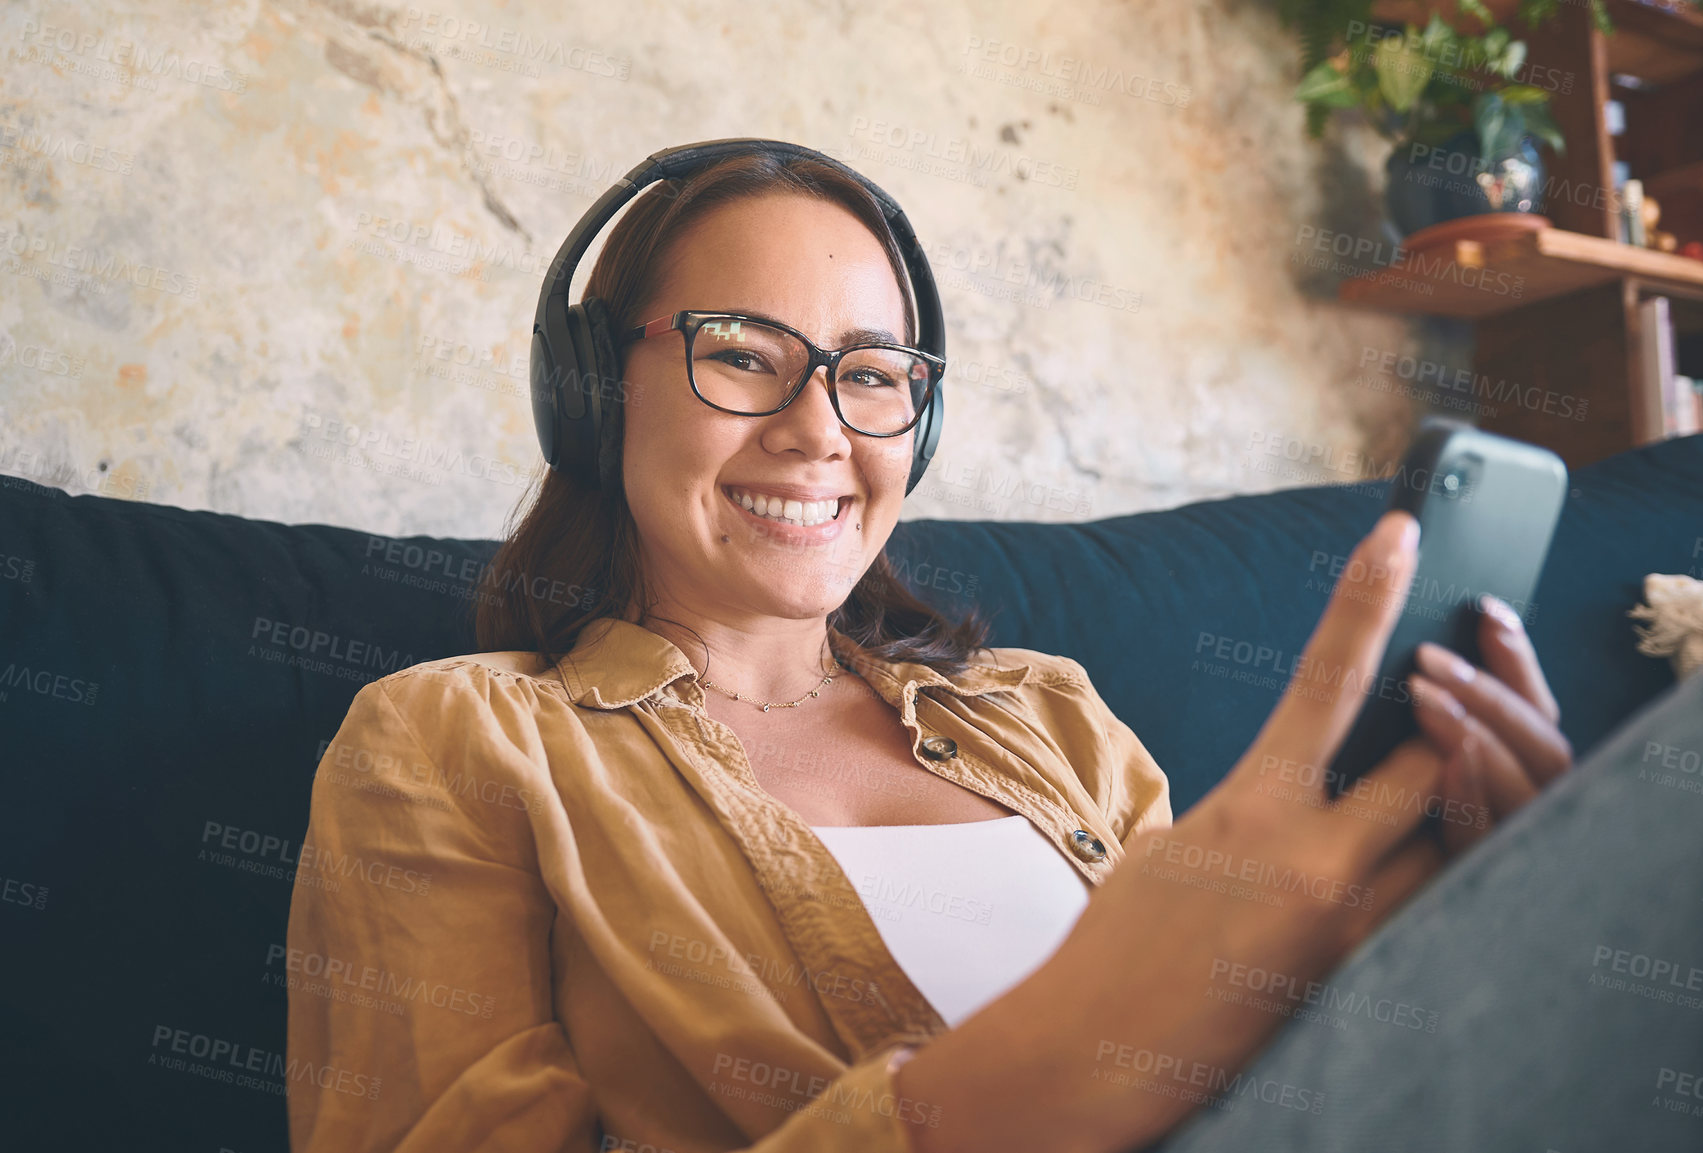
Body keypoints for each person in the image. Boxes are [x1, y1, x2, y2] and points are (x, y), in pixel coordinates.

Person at [285, 148, 1594, 1152]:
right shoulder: (452, 742)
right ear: (587, 387)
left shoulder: (1050, 714)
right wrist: (1002, 1088)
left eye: (871, 373)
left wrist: (1464, 931)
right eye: (740, 353)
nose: (818, 429)